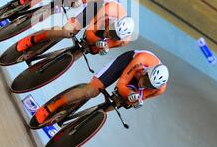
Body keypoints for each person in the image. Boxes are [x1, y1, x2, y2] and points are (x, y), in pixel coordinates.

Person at [32, 49, 169, 126]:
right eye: (146, 81)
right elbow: (121, 84)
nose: (144, 85)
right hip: (127, 63)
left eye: (148, 86)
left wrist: (133, 99)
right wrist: (129, 93)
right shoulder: (141, 60)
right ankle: (51, 107)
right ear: (147, 72)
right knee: (91, 91)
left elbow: (138, 98)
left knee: (119, 102)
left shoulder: (159, 90)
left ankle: (82, 122)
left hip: (136, 78)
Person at [15, 0, 134, 56]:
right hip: (96, 7)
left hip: (106, 16)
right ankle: (34, 39)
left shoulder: (123, 41)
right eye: (111, 31)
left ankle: (60, 62)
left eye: (113, 36)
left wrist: (102, 47)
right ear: (113, 23)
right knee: (67, 32)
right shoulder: (107, 12)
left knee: (86, 49)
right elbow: (89, 32)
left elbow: (99, 49)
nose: (109, 34)